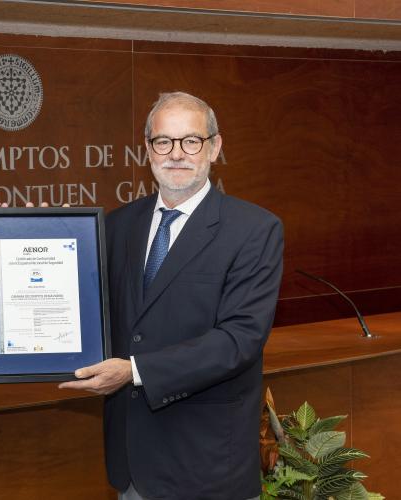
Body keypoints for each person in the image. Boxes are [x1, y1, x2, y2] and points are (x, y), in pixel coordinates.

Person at [60, 92, 284, 500]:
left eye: (191, 141)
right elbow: (86, 311)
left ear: (215, 147)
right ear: (147, 150)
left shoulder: (254, 230)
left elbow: (239, 340)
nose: (176, 154)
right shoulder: (117, 226)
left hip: (207, 463)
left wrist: (135, 370)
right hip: (132, 463)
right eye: (163, 141)